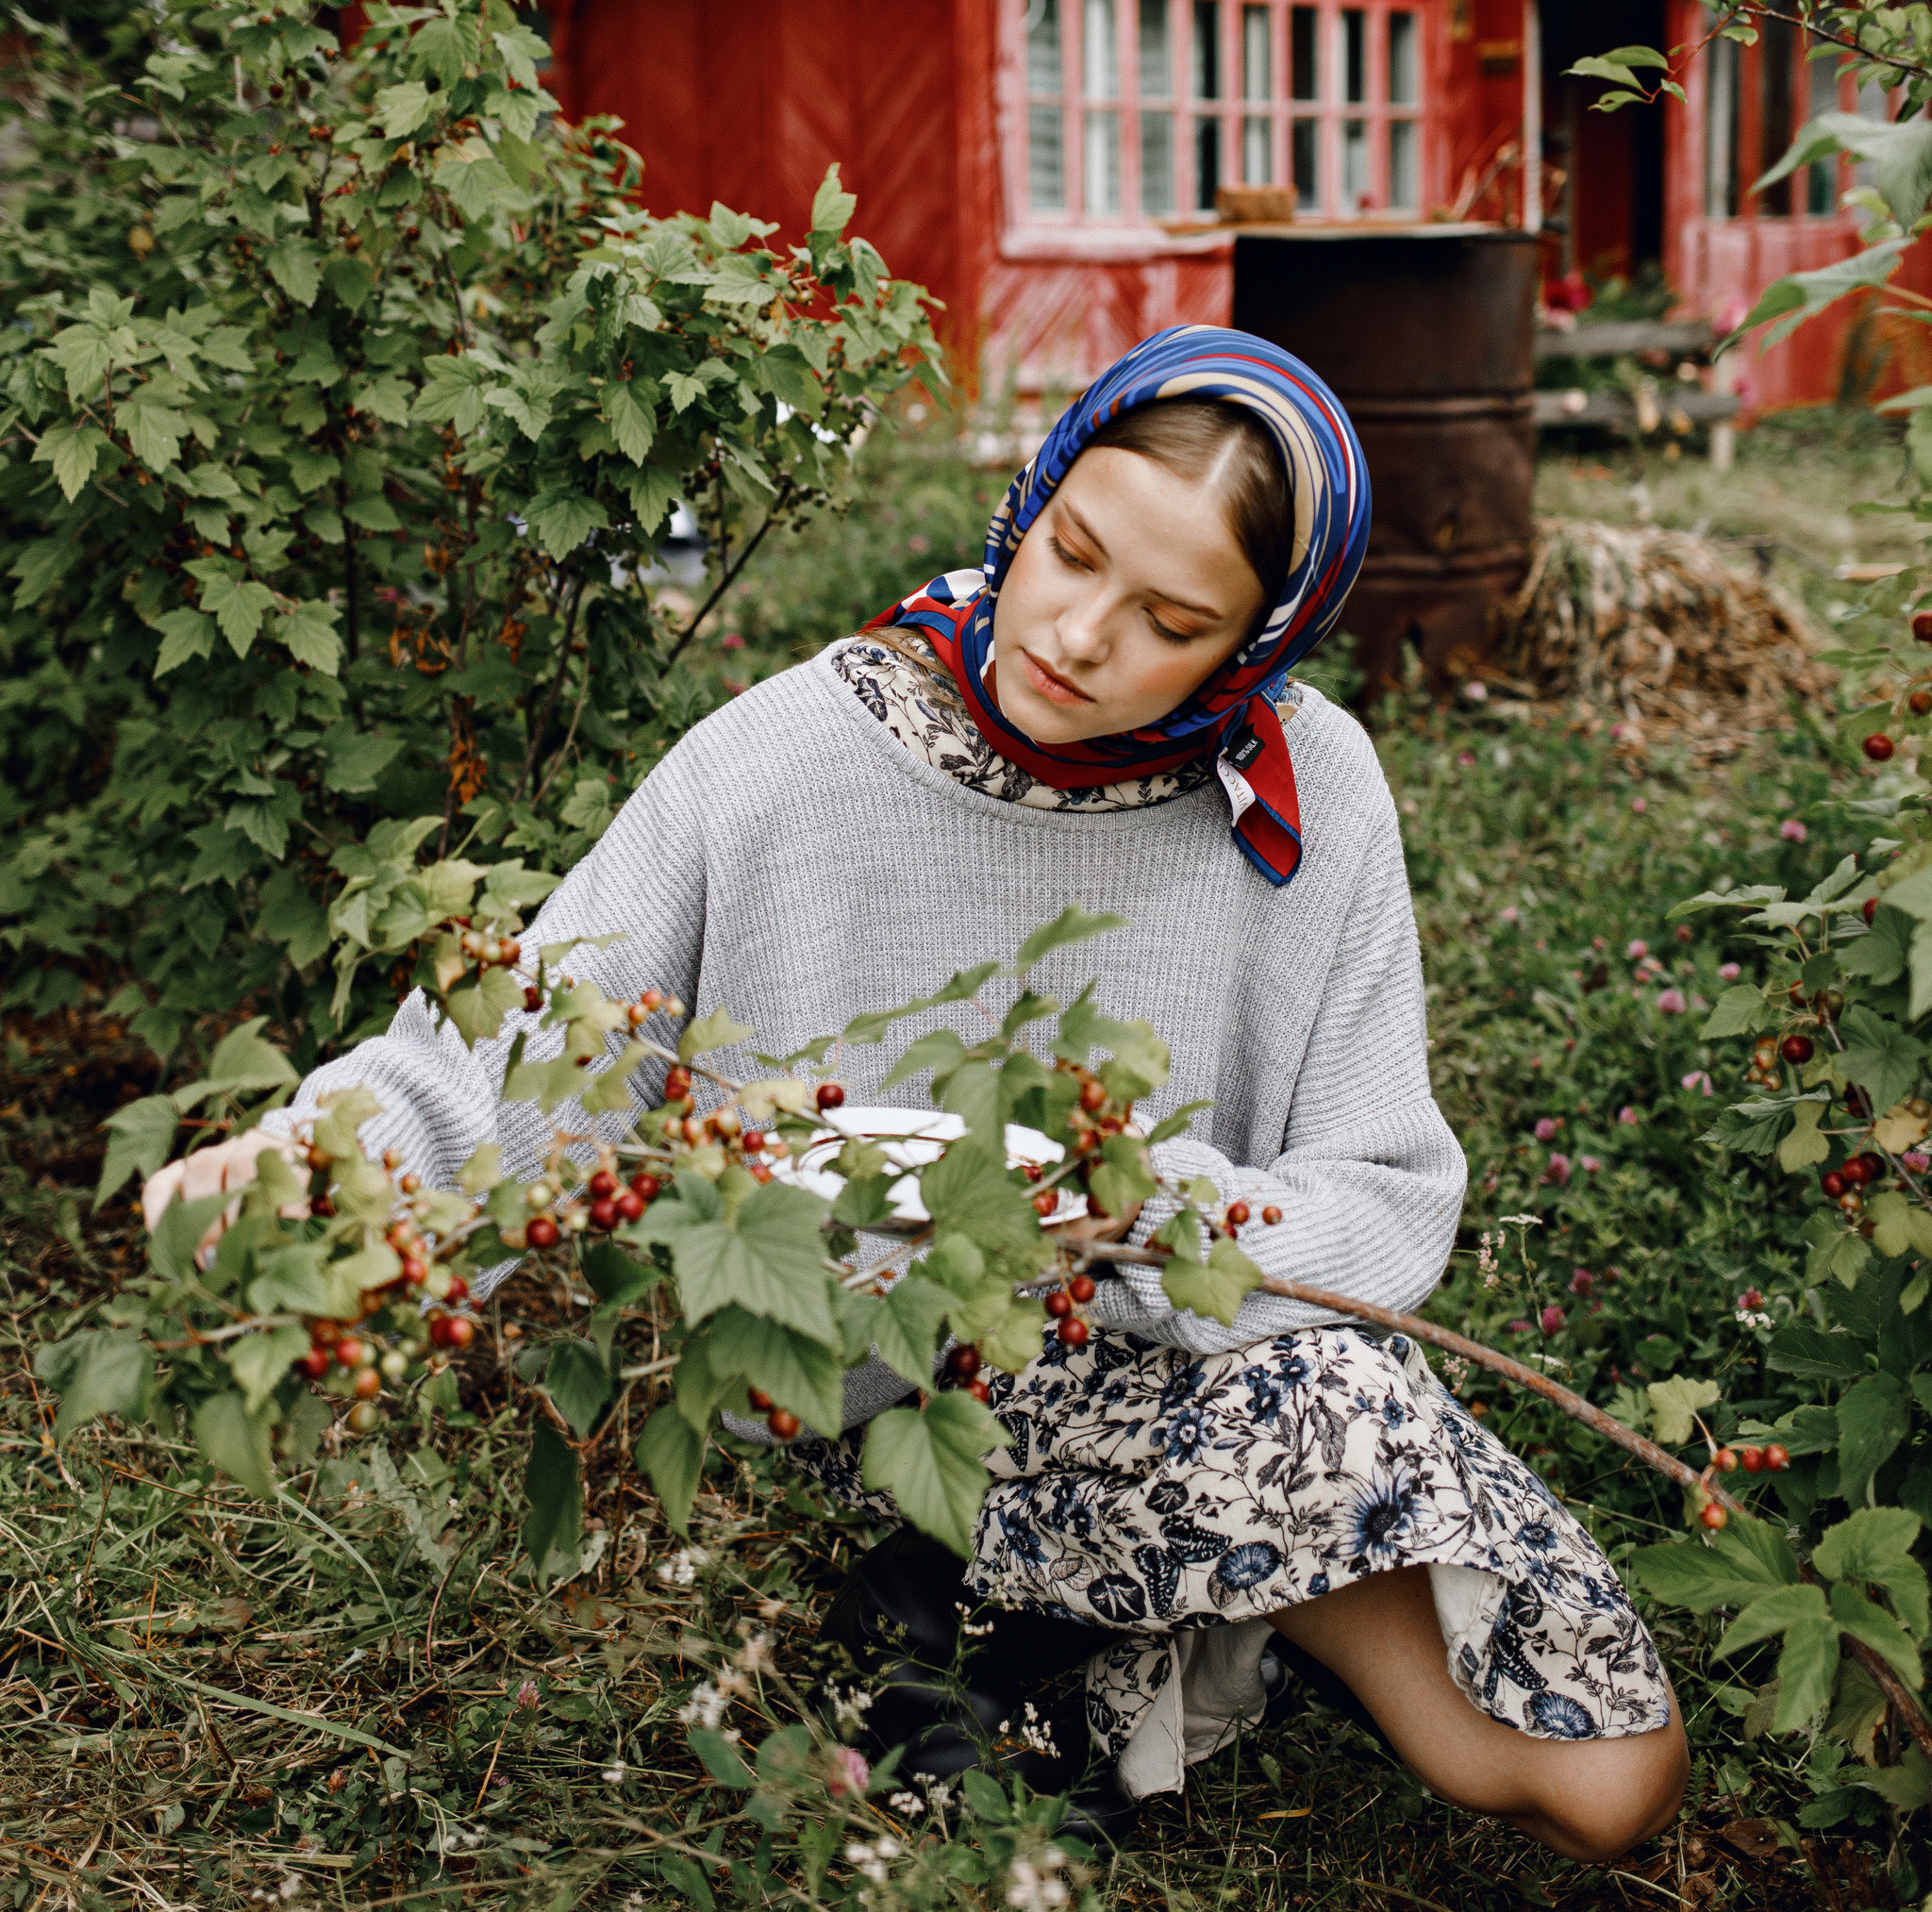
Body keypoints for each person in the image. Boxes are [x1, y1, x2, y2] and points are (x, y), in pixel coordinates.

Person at [144, 324, 1687, 1861]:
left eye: (1168, 618)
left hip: (1166, 1383)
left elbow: (1385, 1194)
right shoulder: (794, 758)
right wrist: (312, 1158)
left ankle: (1092, 1645)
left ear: (1255, 645)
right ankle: (951, 1639)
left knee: (1612, 1781)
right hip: (834, 1439)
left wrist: (1126, 1207)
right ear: (1034, 493)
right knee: (903, 1718)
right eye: (1071, 551)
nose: (1079, 635)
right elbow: (524, 1050)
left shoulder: (1310, 793)